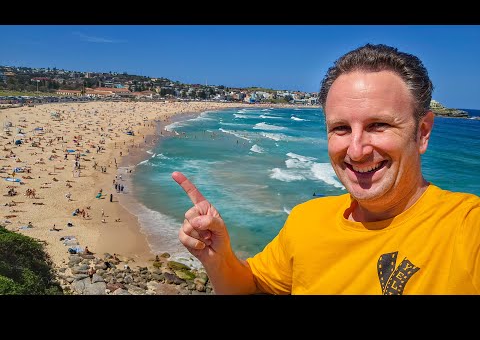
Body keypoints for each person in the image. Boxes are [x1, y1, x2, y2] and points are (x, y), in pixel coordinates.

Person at [172, 43, 480, 295]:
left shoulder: (465, 228)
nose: (357, 150)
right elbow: (251, 287)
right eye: (341, 128)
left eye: (379, 125)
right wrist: (219, 258)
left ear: (423, 132)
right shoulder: (306, 220)